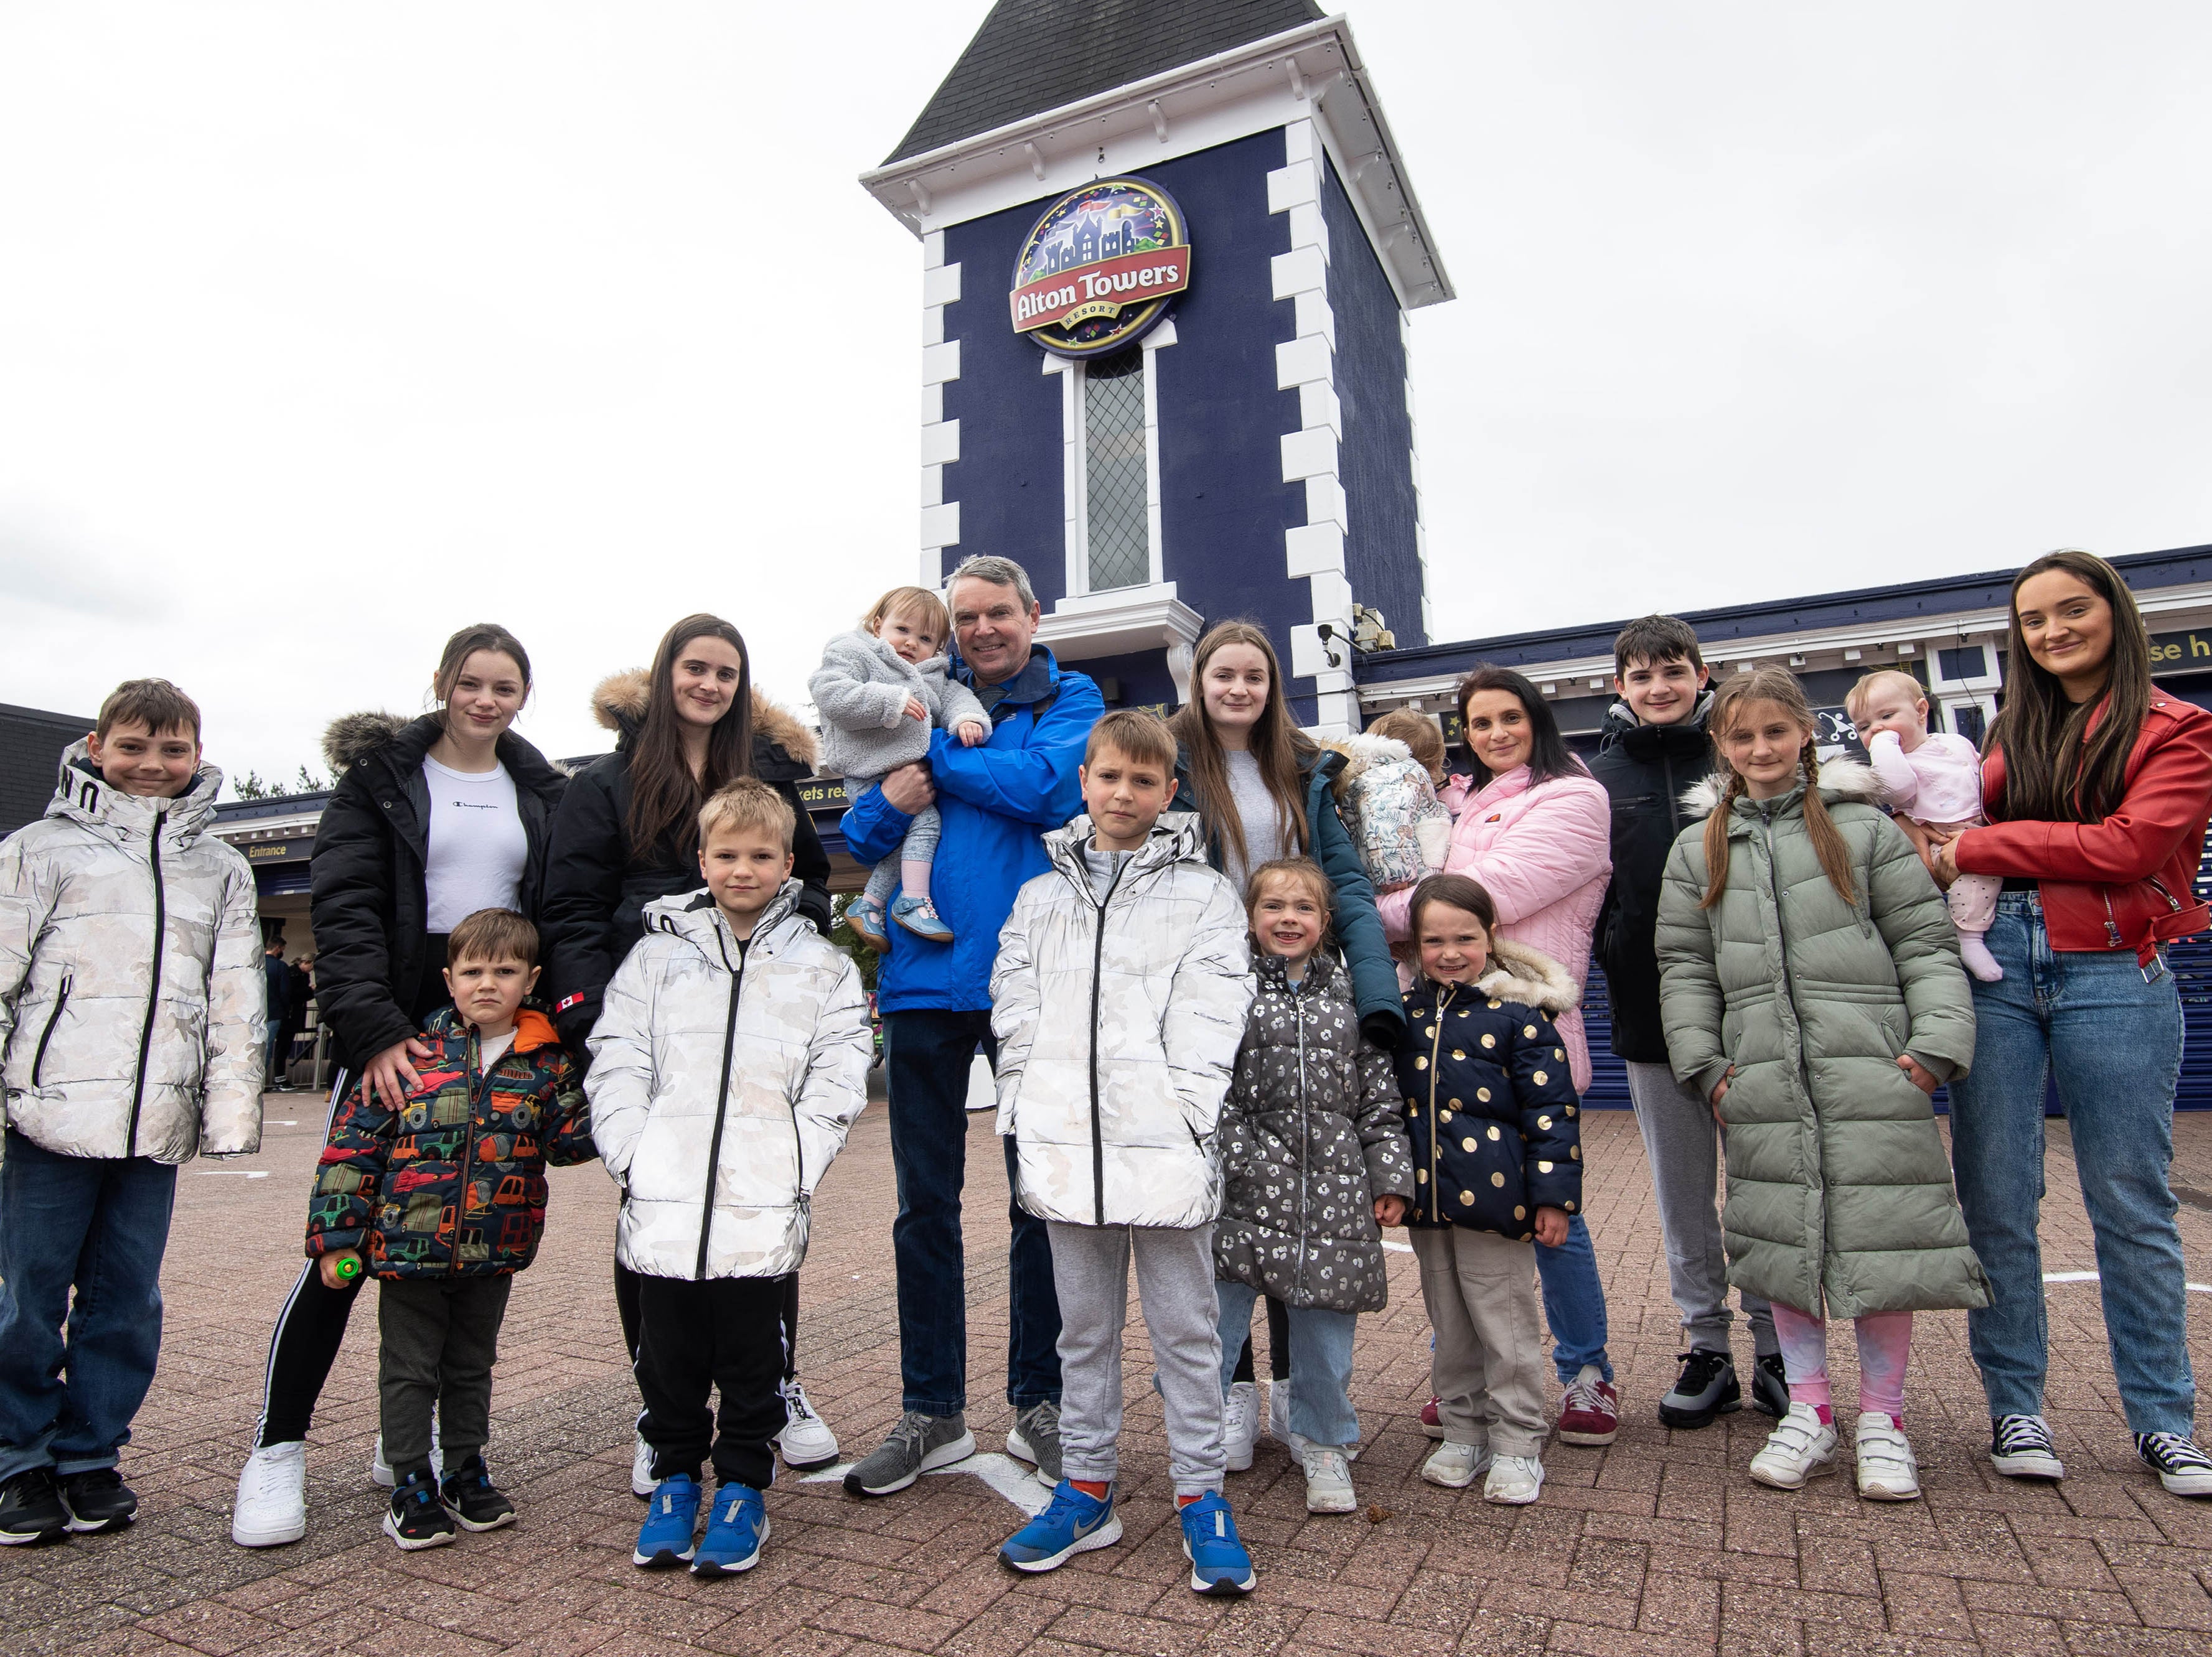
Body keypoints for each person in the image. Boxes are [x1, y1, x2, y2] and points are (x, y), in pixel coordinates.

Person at [233, 623, 568, 1549]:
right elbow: (342, 908)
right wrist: (374, 1030)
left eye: (505, 685)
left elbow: (554, 913)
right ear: (441, 683)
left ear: (522, 695)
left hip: (492, 1027)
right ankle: (277, 1448)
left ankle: (423, 1447)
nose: (486, 699)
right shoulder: (379, 777)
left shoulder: (540, 790)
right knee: (345, 1245)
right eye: (471, 682)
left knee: (462, 1245)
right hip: (398, 1034)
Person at [1657, 665, 1985, 1501]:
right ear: (1721, 746)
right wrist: (1707, 1066)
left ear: (1804, 732)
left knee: (1883, 1242)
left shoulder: (1864, 829)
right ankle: (1807, 1407)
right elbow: (1683, 966)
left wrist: (1932, 1048)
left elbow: (1922, 941)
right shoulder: (1697, 846)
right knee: (1783, 1243)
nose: (1759, 747)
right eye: (1741, 735)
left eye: (1775, 730)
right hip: (1759, 1078)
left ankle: (1884, 1419)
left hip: (1872, 1067)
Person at [1931, 549, 2212, 1496]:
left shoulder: (2180, 728)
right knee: (1998, 1201)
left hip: (2113, 968)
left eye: (2070, 610)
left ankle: (2163, 1419)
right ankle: (2015, 1406)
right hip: (1997, 966)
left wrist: (1973, 844)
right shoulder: (2013, 725)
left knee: (2130, 1203)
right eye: (2034, 619)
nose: (2052, 631)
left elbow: (2130, 845)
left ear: (2113, 613)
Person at [541, 615, 840, 1493]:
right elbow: (569, 904)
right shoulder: (604, 783)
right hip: (656, 1017)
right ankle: (661, 1409)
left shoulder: (768, 777)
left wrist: (793, 952)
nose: (708, 684)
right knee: (655, 1212)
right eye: (695, 667)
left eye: (727, 671)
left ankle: (774, 1384)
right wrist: (595, 1019)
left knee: (762, 1204)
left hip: (756, 1020)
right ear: (667, 672)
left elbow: (812, 880)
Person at [839, 556, 1102, 1498]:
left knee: (1038, 1198)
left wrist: (937, 758)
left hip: (1028, 981)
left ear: (1032, 614)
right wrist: (889, 796)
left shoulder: (1073, 692)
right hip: (920, 985)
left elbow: (1044, 789)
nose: (984, 628)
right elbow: (864, 832)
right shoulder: (918, 693)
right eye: (967, 617)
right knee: (924, 1205)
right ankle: (932, 1410)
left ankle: (1038, 1400)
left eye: (1000, 612)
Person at [989, 710, 1259, 1594]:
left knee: (1188, 1329)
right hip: (1067, 1147)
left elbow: (1217, 1009)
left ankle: (1200, 1494)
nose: (1123, 792)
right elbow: (1016, 1001)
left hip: (1166, 1148)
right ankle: (1087, 1486)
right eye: (1109, 776)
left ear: (1168, 791)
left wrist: (1184, 1112)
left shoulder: (1206, 893)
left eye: (1144, 780)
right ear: (1085, 780)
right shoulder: (1040, 895)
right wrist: (1027, 1106)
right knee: (1084, 1330)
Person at [0, 679, 264, 1546]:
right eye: (135, 746)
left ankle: (90, 1453)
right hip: (48, 1115)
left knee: (125, 1300)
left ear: (197, 753)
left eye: (173, 748)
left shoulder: (221, 868)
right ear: (96, 744)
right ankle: (19, 1456)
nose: (153, 765)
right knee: (27, 1296)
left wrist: (227, 1111)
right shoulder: (36, 850)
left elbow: (235, 998)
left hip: (154, 1126)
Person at [589, 780, 871, 1578]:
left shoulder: (820, 963)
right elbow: (618, 1057)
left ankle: (745, 1482)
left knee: (755, 1352)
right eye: (726, 855)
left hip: (762, 1197)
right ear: (702, 859)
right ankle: (675, 1474)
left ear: (787, 862)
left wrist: (794, 1156)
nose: (741, 869)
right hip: (664, 1198)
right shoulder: (655, 956)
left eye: (759, 856)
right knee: (666, 1350)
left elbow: (841, 1069)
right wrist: (633, 1153)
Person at [1166, 620, 1404, 1464]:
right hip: (1204, 995)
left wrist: (1375, 994)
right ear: (1198, 680)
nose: (1237, 688)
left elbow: (1344, 880)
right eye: (1221, 674)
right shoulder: (1170, 759)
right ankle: (1231, 1394)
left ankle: (1307, 1406)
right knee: (1224, 1203)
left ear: (1272, 686)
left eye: (1253, 676)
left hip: (1296, 992)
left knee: (1298, 1193)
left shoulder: (1301, 766)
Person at [1377, 666, 1621, 1448]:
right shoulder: (1463, 799)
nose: (1494, 734)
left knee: (1550, 1212)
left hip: (1524, 1027)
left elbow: (1484, 891)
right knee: (1457, 1214)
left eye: (1508, 717)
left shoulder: (1573, 797)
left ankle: (1587, 1372)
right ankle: (1471, 1377)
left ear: (1536, 716)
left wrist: (1360, 912)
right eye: (1478, 723)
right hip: (1445, 1029)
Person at [301, 908, 594, 1551]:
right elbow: (354, 1148)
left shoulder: (545, 1064)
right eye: (472, 970)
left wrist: (614, 1087)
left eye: (505, 970)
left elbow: (570, 1144)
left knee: (470, 1364)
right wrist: (336, 1238)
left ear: (531, 978)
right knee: (409, 1367)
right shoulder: (410, 1053)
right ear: (449, 977)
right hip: (407, 1249)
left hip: (494, 1248)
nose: (487, 983)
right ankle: (410, 1477)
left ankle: (466, 1467)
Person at [1588, 616, 1786, 1429]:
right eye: (1640, 676)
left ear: (1700, 674)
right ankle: (1706, 1346)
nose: (1657, 686)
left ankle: (1777, 1349)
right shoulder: (1594, 779)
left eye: (1671, 670)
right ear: (1618, 687)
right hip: (1648, 1014)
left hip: (1754, 1009)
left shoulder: (1740, 753)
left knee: (1764, 1186)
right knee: (1681, 1193)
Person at [1213, 857, 1413, 1515]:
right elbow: (1212, 1088)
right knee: (1214, 1322)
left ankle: (1323, 1438)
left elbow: (1378, 1098)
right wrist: (1237, 1159)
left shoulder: (1353, 994)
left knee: (1325, 1333)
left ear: (1325, 922)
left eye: (1302, 907)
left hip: (1334, 1190)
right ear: (1250, 917)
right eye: (1273, 905)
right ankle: (1206, 1428)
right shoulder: (1227, 986)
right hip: (1243, 1187)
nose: (1287, 918)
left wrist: (1388, 1175)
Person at [1395, 873, 1582, 1507]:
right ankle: (1463, 1428)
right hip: (1430, 1203)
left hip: (1498, 1204)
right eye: (1433, 940)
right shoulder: (1407, 1014)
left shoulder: (1518, 1017)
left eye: (1464, 937)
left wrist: (1553, 1197)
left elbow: (1551, 1112)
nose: (1449, 952)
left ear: (1491, 937)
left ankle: (1517, 1439)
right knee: (1449, 1323)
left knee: (1504, 1323)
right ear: (1415, 944)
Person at [809, 586, 990, 945]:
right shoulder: (854, 652)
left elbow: (956, 697)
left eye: (925, 638)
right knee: (925, 824)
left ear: (937, 648)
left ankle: (872, 903)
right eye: (902, 630)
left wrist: (967, 719)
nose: (910, 644)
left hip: (904, 773)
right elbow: (828, 690)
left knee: (907, 842)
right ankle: (912, 900)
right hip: (867, 770)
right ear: (878, 626)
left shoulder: (933, 675)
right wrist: (888, 701)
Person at [1847, 669, 2004, 983]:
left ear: (1920, 711)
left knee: (1986, 869)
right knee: (1975, 881)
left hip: (1977, 825)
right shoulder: (1894, 765)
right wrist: (1884, 745)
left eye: (1887, 716)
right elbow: (1898, 789)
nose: (1876, 729)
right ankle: (1968, 938)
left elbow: (1983, 772)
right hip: (1939, 837)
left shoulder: (1955, 742)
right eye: (1864, 727)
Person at [263, 930, 293, 1086]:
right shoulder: (280, 967)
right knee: (266, 1049)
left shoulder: (257, 963)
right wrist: (285, 1010)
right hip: (274, 1013)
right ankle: (260, 1081)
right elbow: (285, 992)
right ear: (278, 948)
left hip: (254, 1012)